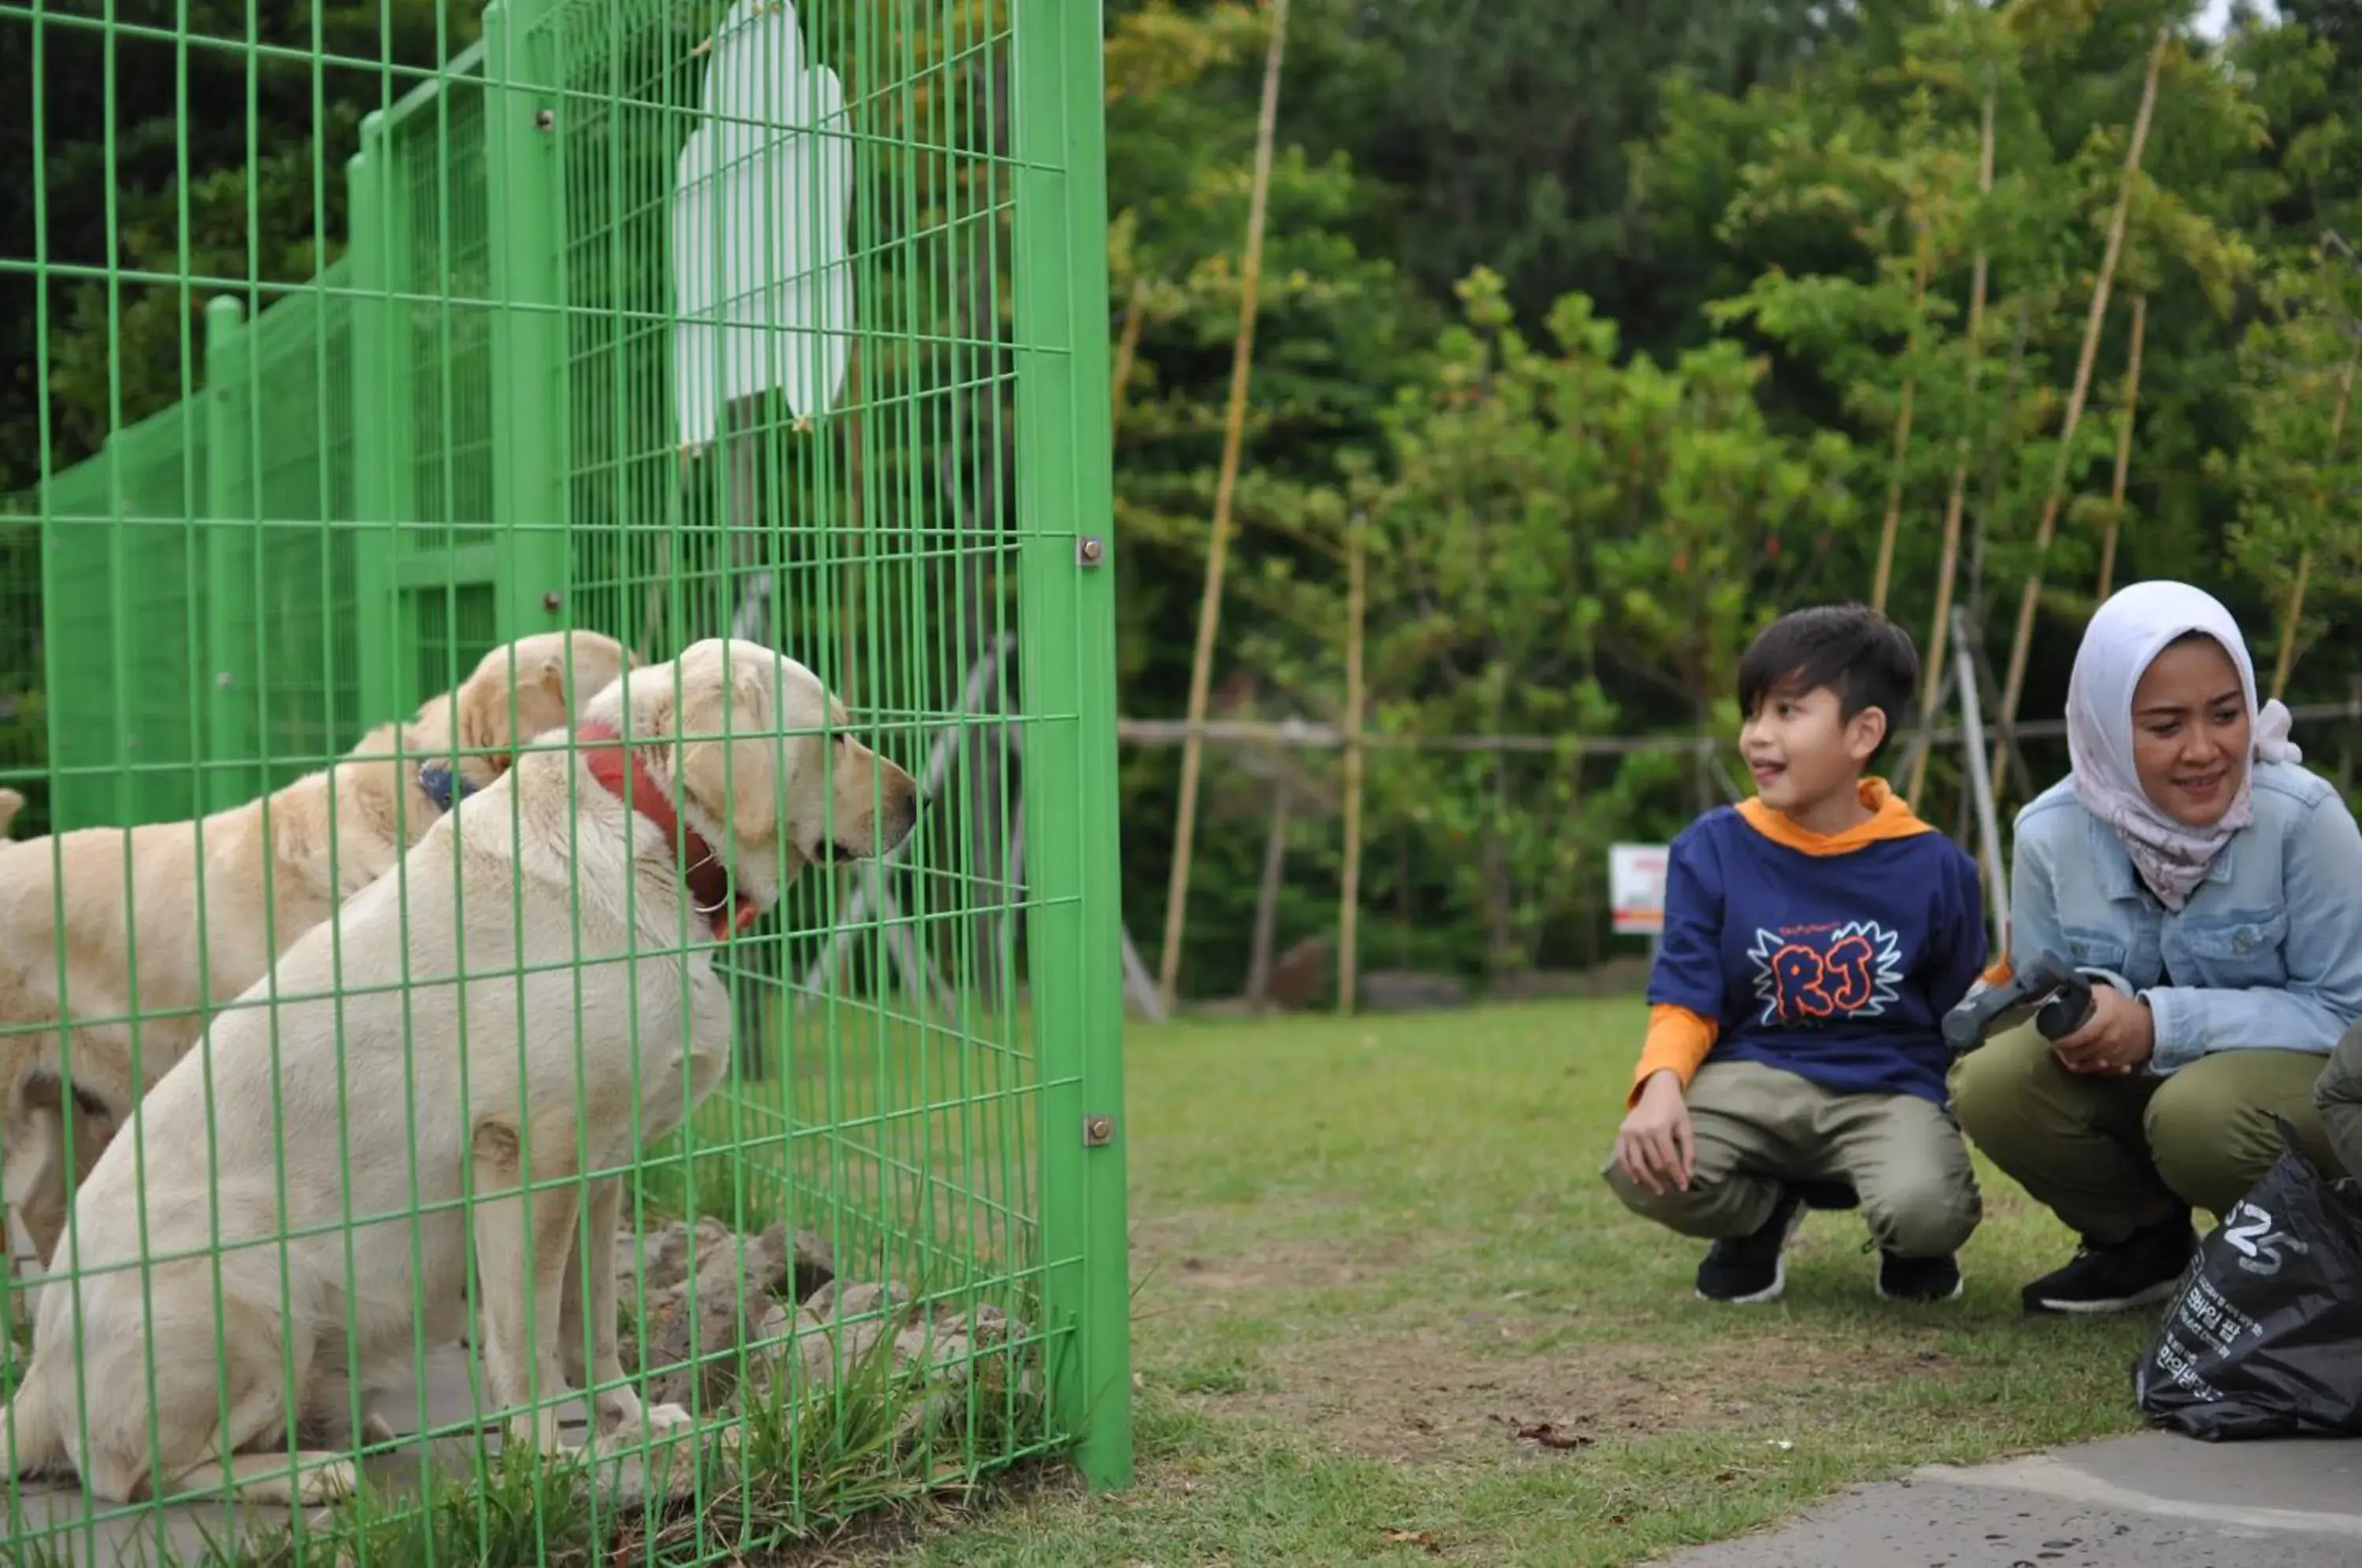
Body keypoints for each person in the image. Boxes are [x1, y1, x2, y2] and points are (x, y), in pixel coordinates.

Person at [1950, 580, 2362, 1317]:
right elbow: (2048, 991)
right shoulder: (2048, 833)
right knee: (1994, 1080)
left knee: (2195, 1113)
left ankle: (2315, 1254)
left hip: (2318, 1092)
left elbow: (2346, 1015)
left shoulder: (2305, 821)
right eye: (2165, 725)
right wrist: (2082, 1023)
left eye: (2226, 715)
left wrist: (2157, 1024)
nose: (2205, 750)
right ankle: (2140, 1245)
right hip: (2161, 1091)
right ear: (2106, 727)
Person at [1605, 604, 1988, 1304]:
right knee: (1642, 1166)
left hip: (1885, 1086)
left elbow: (1958, 1014)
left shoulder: (1936, 866)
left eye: (1788, 711)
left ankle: (1909, 1233)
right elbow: (1686, 993)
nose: (1758, 736)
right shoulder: (1711, 848)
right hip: (1754, 1080)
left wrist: (1935, 1129)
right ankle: (1760, 1216)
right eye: (1753, 713)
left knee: (1925, 1209)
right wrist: (1657, 1086)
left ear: (1863, 733)